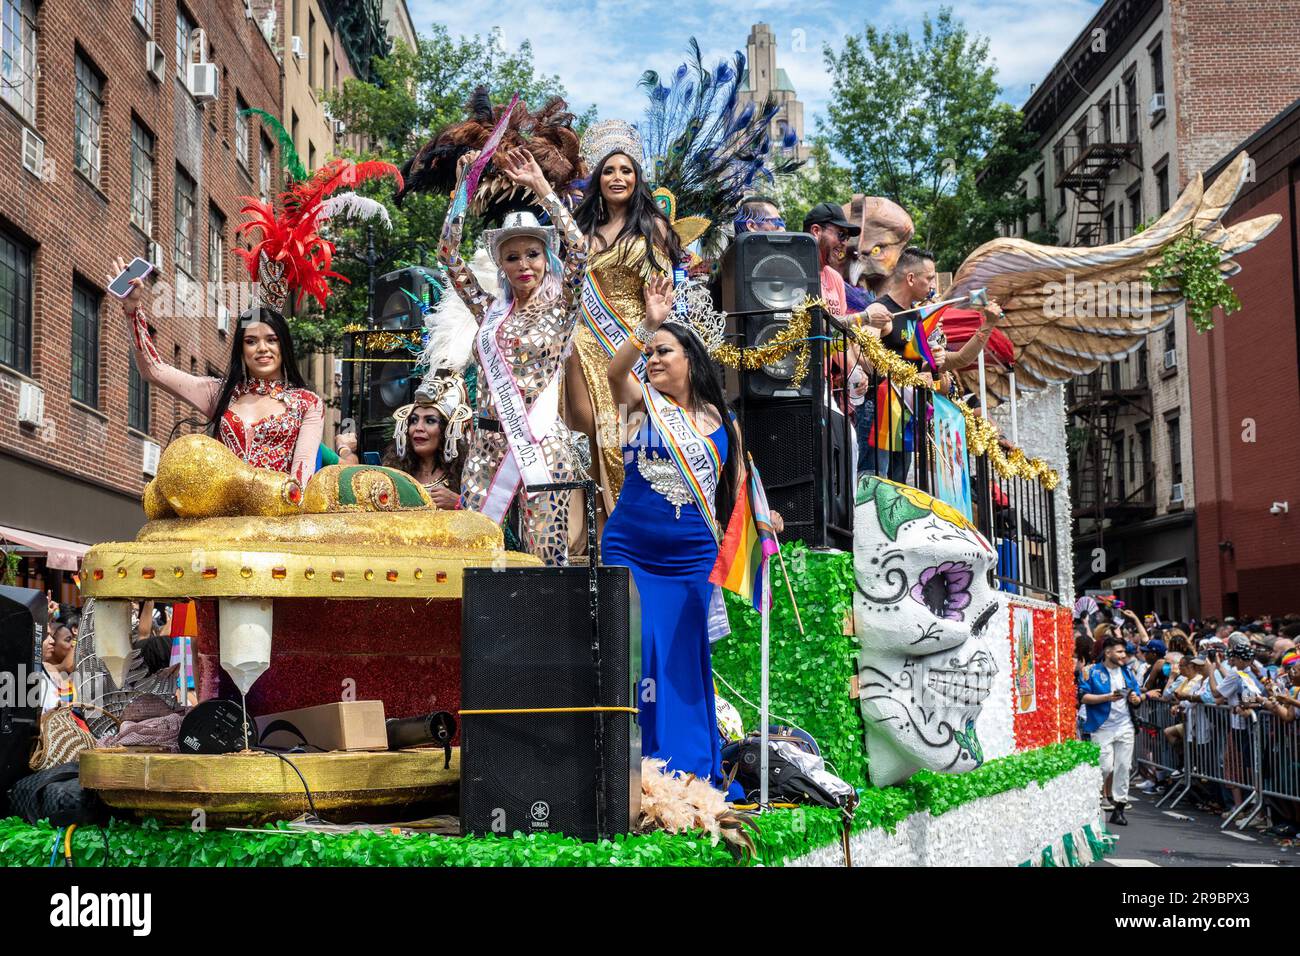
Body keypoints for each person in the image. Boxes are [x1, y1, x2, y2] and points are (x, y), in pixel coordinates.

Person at [601, 274, 780, 794]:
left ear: (691, 359)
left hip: (691, 556)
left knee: (682, 656)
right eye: (650, 352)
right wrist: (648, 324)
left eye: (664, 351)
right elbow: (615, 371)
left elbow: (740, 494)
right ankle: (636, 766)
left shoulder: (725, 422)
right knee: (642, 650)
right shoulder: (640, 404)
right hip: (633, 547)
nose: (653, 360)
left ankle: (686, 767)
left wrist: (764, 522)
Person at [438, 147, 586, 566]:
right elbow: (448, 257)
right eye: (512, 256)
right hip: (485, 447)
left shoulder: (562, 309)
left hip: (542, 446)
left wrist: (541, 188)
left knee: (545, 560)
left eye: (533, 254)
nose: (524, 264)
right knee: (475, 559)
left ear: (546, 258)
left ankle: (549, 632)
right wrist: (463, 189)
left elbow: (580, 253)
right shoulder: (488, 311)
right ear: (501, 264)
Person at [113, 257, 324, 486]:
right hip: (220, 517)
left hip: (277, 515)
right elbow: (153, 370)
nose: (262, 349)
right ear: (241, 350)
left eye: (271, 340)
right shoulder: (222, 393)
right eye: (251, 341)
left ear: (283, 345)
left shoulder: (307, 404)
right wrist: (132, 309)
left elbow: (302, 471)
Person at [567, 122, 687, 523]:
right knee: (589, 439)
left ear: (637, 179)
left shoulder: (651, 227)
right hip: (585, 348)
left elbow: (667, 297)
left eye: (626, 171)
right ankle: (600, 537)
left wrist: (663, 344)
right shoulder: (583, 231)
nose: (617, 178)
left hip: (635, 344)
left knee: (631, 436)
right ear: (597, 180)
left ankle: (636, 528)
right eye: (608, 171)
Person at [338, 375, 472, 511]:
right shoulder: (394, 473)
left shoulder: (467, 474)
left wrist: (459, 503)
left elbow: (487, 520)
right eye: (413, 420)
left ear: (447, 429)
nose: (418, 428)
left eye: (430, 421)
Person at [1080, 634, 1143, 825]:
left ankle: (1119, 808)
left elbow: (1136, 694)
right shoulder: (1092, 672)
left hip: (1125, 726)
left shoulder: (1127, 673)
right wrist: (1107, 697)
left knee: (1124, 767)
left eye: (1124, 651)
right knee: (1105, 766)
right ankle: (1092, 799)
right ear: (1108, 653)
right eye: (1120, 651)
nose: (1124, 655)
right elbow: (1083, 697)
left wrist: (1135, 699)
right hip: (1102, 727)